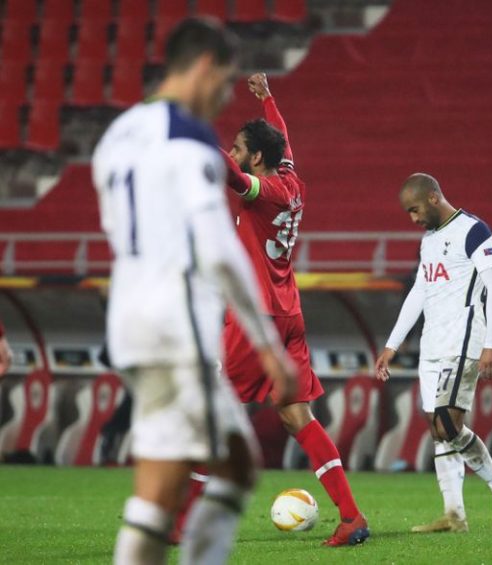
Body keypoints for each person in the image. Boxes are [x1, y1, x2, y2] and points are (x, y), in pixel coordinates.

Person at [92, 18, 295, 564]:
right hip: (175, 325)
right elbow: (217, 247)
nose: (224, 96)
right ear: (204, 66)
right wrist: (267, 344)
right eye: (225, 83)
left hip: (132, 320)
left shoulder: (119, 134)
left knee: (210, 467)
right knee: (199, 474)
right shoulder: (189, 138)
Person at [173, 73, 369, 547]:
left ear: (255, 157)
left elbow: (233, 176)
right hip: (289, 316)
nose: (236, 153)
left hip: (254, 317)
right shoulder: (291, 179)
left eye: (241, 147)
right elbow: (283, 142)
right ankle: (351, 517)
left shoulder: (266, 191)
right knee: (296, 416)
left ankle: (181, 526)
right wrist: (268, 101)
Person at [375, 173, 492, 533]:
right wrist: (392, 343)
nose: (413, 219)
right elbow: (419, 294)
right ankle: (454, 514)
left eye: (415, 209)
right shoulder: (429, 241)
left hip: (464, 341)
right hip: (432, 345)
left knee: (447, 422)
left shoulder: (473, 230)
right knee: (438, 429)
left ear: (434, 197)